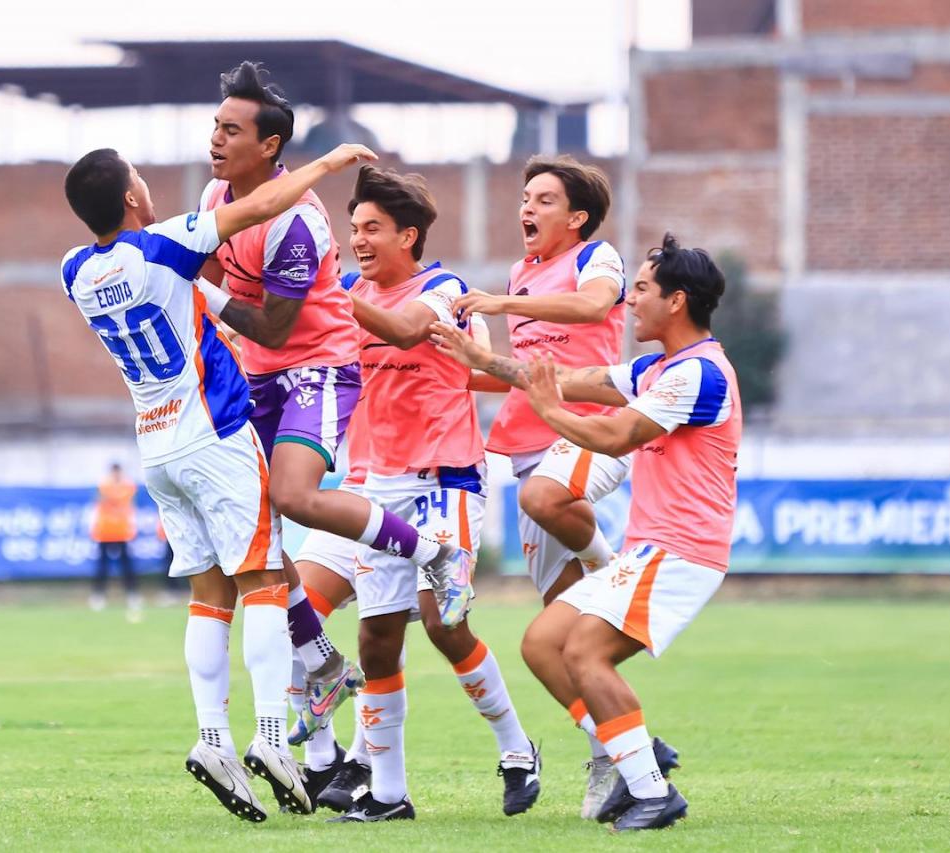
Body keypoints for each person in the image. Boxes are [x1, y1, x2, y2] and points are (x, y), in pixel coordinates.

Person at [61, 141, 376, 823]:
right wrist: (326, 165)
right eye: (140, 180)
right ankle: (271, 738)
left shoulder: (74, 270)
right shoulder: (164, 244)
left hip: (156, 445)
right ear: (131, 198)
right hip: (215, 431)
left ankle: (213, 739)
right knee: (262, 581)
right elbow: (263, 205)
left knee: (209, 595)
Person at [431, 232, 740, 832]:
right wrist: (484, 362)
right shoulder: (658, 369)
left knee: (585, 652)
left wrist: (550, 413)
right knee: (543, 643)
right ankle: (636, 755)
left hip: (682, 552)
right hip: (650, 549)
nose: (632, 300)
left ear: (677, 301)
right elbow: (571, 379)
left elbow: (616, 436)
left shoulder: (698, 375)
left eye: (642, 289)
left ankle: (651, 793)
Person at [195, 61, 473, 725]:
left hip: (317, 367)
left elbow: (271, 324)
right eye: (216, 126)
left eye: (231, 130)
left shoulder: (297, 223)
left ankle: (438, 554)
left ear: (269, 146)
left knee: (294, 497)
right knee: (252, 530)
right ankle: (321, 664)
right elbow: (210, 275)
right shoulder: (215, 198)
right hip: (259, 375)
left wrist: (197, 290)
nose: (216, 139)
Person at [287, 166, 539, 821]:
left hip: (444, 477)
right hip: (374, 484)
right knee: (372, 639)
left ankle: (517, 749)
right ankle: (382, 790)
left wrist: (326, 291)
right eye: (353, 228)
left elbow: (403, 332)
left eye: (372, 228)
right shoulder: (348, 291)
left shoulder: (443, 289)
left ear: (408, 235)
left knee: (442, 622)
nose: (358, 240)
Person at [448, 154, 635, 813]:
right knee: (560, 639)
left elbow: (593, 306)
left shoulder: (597, 258)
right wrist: (449, 365)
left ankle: (614, 569)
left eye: (544, 199)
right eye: (525, 197)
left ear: (577, 216)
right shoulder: (520, 273)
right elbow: (518, 374)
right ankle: (615, 752)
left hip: (590, 428)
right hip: (530, 447)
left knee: (543, 496)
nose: (527, 207)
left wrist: (502, 302)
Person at [89, 462, 140, 618]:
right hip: (105, 531)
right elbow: (100, 499)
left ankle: (132, 595)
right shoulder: (103, 485)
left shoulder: (128, 486)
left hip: (121, 531)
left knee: (127, 566)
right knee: (102, 566)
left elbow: (125, 500)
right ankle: (99, 596)